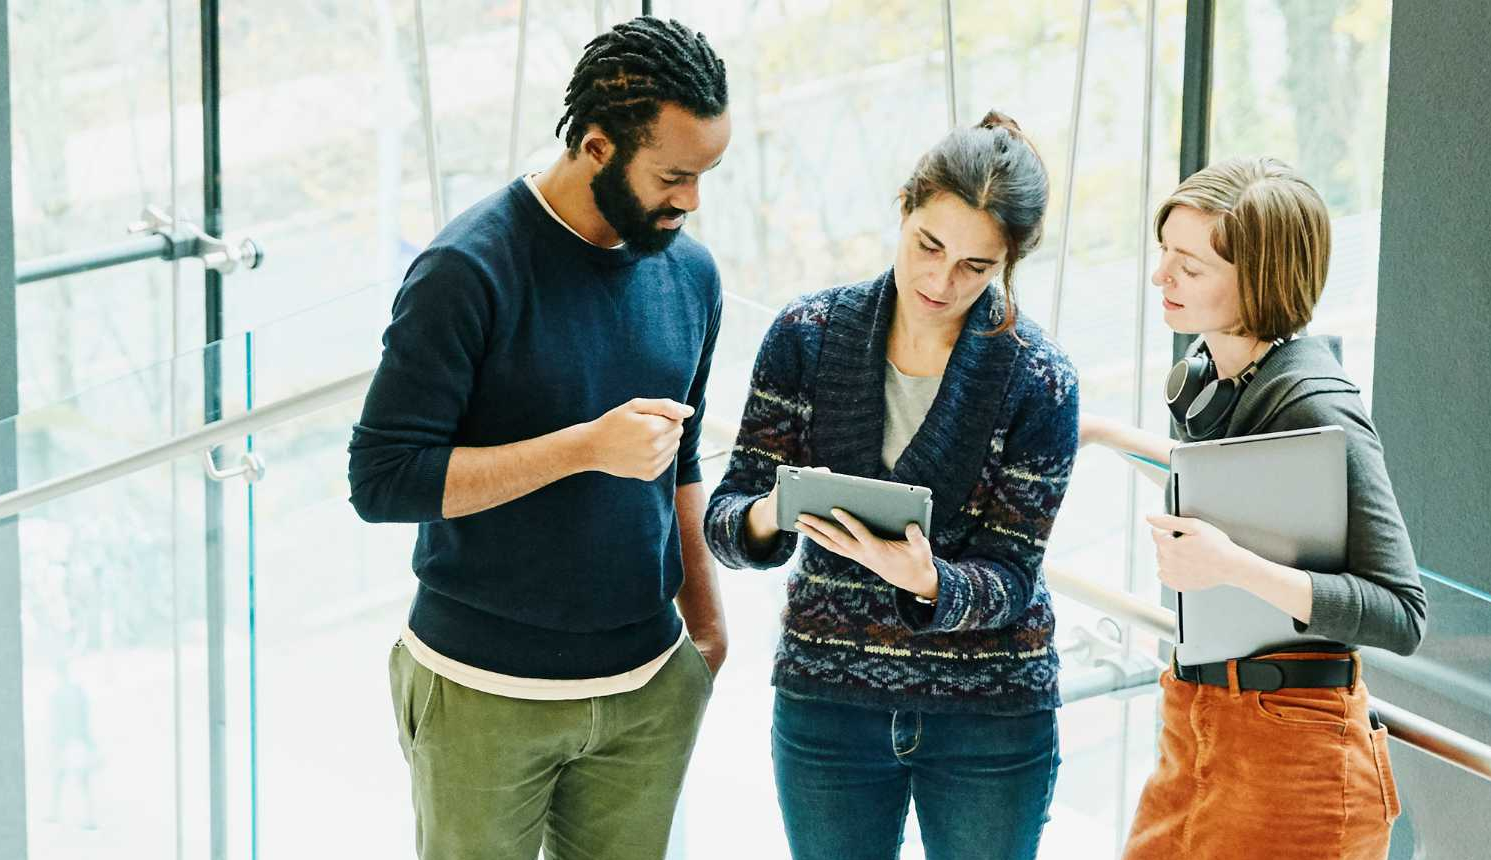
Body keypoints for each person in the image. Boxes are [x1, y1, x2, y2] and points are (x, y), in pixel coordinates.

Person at [343, 17, 732, 859]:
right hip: (482, 695)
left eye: (705, 176)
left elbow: (683, 462)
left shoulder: (690, 272)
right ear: (597, 146)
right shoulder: (466, 271)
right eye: (673, 176)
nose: (691, 201)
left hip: (646, 689)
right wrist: (582, 449)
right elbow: (382, 479)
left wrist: (706, 632)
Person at [705, 113, 1081, 860]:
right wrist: (771, 513)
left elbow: (1013, 572)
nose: (941, 281)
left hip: (989, 717)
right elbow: (725, 522)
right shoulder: (805, 336)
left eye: (976, 266)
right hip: (829, 709)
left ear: (1010, 261)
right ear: (904, 208)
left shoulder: (1040, 378)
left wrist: (931, 582)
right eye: (929, 246)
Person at [1079, 157, 1428, 860]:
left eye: (1190, 265)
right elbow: (1225, 492)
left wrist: (1230, 566)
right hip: (1202, 724)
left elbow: (1401, 611)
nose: (1160, 278)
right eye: (1163, 255)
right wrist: (1101, 433)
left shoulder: (1314, 403)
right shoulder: (1223, 382)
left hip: (1289, 750)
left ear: (1259, 281)